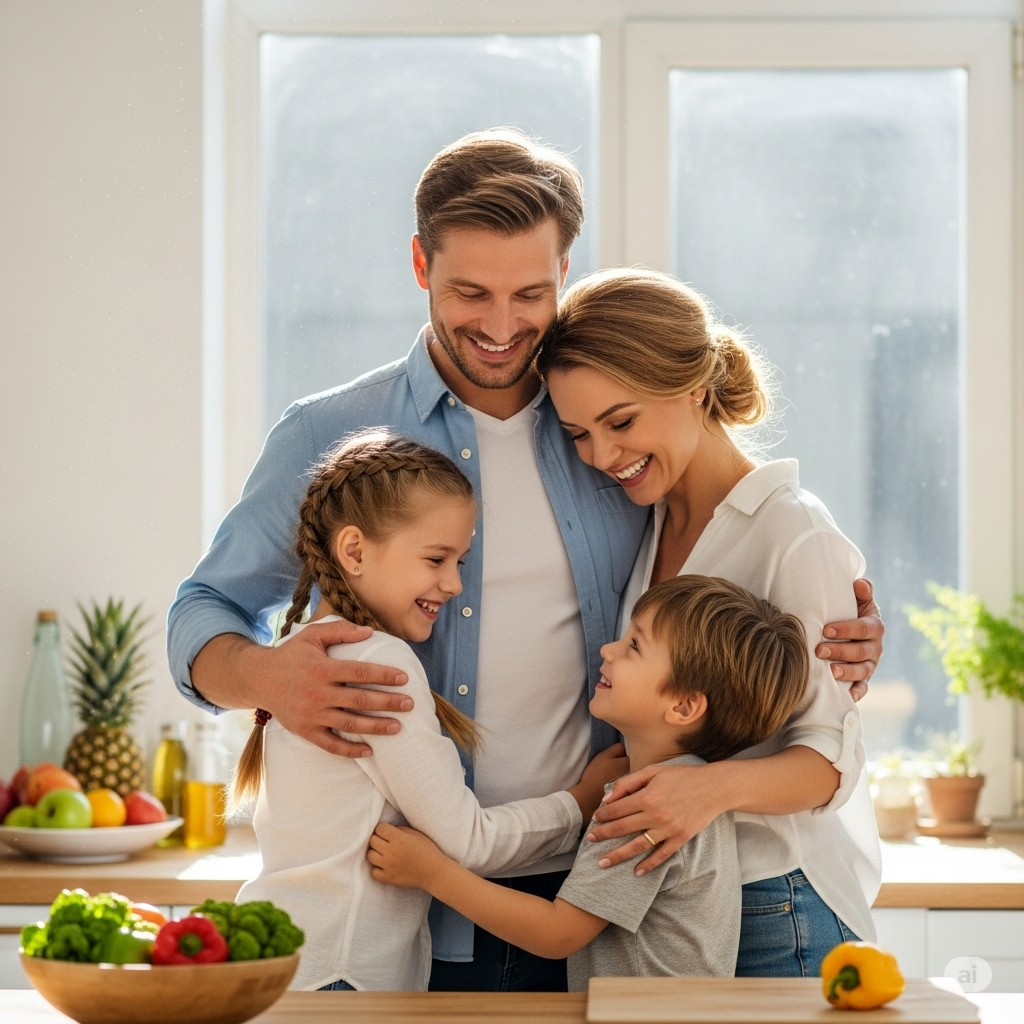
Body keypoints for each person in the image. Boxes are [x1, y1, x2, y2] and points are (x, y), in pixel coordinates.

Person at [167, 129, 884, 991]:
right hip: (416, 909)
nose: (501, 326)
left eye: (531, 293)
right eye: (470, 291)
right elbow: (205, 607)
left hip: (602, 892)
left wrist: (830, 639)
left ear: (565, 274)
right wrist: (267, 678)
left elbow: (740, 584)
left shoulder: (608, 432)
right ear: (419, 265)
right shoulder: (329, 434)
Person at [535, 267, 883, 977]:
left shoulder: (795, 532)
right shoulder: (651, 522)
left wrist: (706, 790)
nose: (602, 456)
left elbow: (830, 764)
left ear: (694, 387)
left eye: (621, 421)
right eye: (578, 434)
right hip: (675, 898)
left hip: (774, 902)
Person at [231, 431, 625, 992]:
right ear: (354, 551)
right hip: (341, 977)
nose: (455, 583)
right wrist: (581, 803)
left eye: (460, 560)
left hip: (289, 959)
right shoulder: (376, 662)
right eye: (437, 558)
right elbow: (470, 841)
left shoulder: (307, 650)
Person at [368, 575, 810, 991]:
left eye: (635, 645)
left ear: (683, 706)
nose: (608, 650)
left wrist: (432, 873)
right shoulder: (686, 788)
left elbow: (559, 933)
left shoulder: (646, 805)